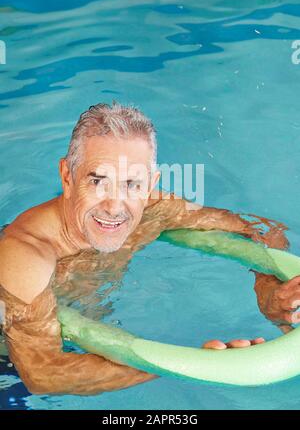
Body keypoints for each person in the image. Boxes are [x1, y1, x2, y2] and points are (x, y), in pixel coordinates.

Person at [0, 103, 291, 395]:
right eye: (98, 181)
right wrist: (198, 364)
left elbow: (263, 229)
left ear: (151, 184)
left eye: (132, 184)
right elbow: (44, 375)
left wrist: (268, 292)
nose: (114, 207)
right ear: (67, 177)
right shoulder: (24, 256)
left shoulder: (155, 210)